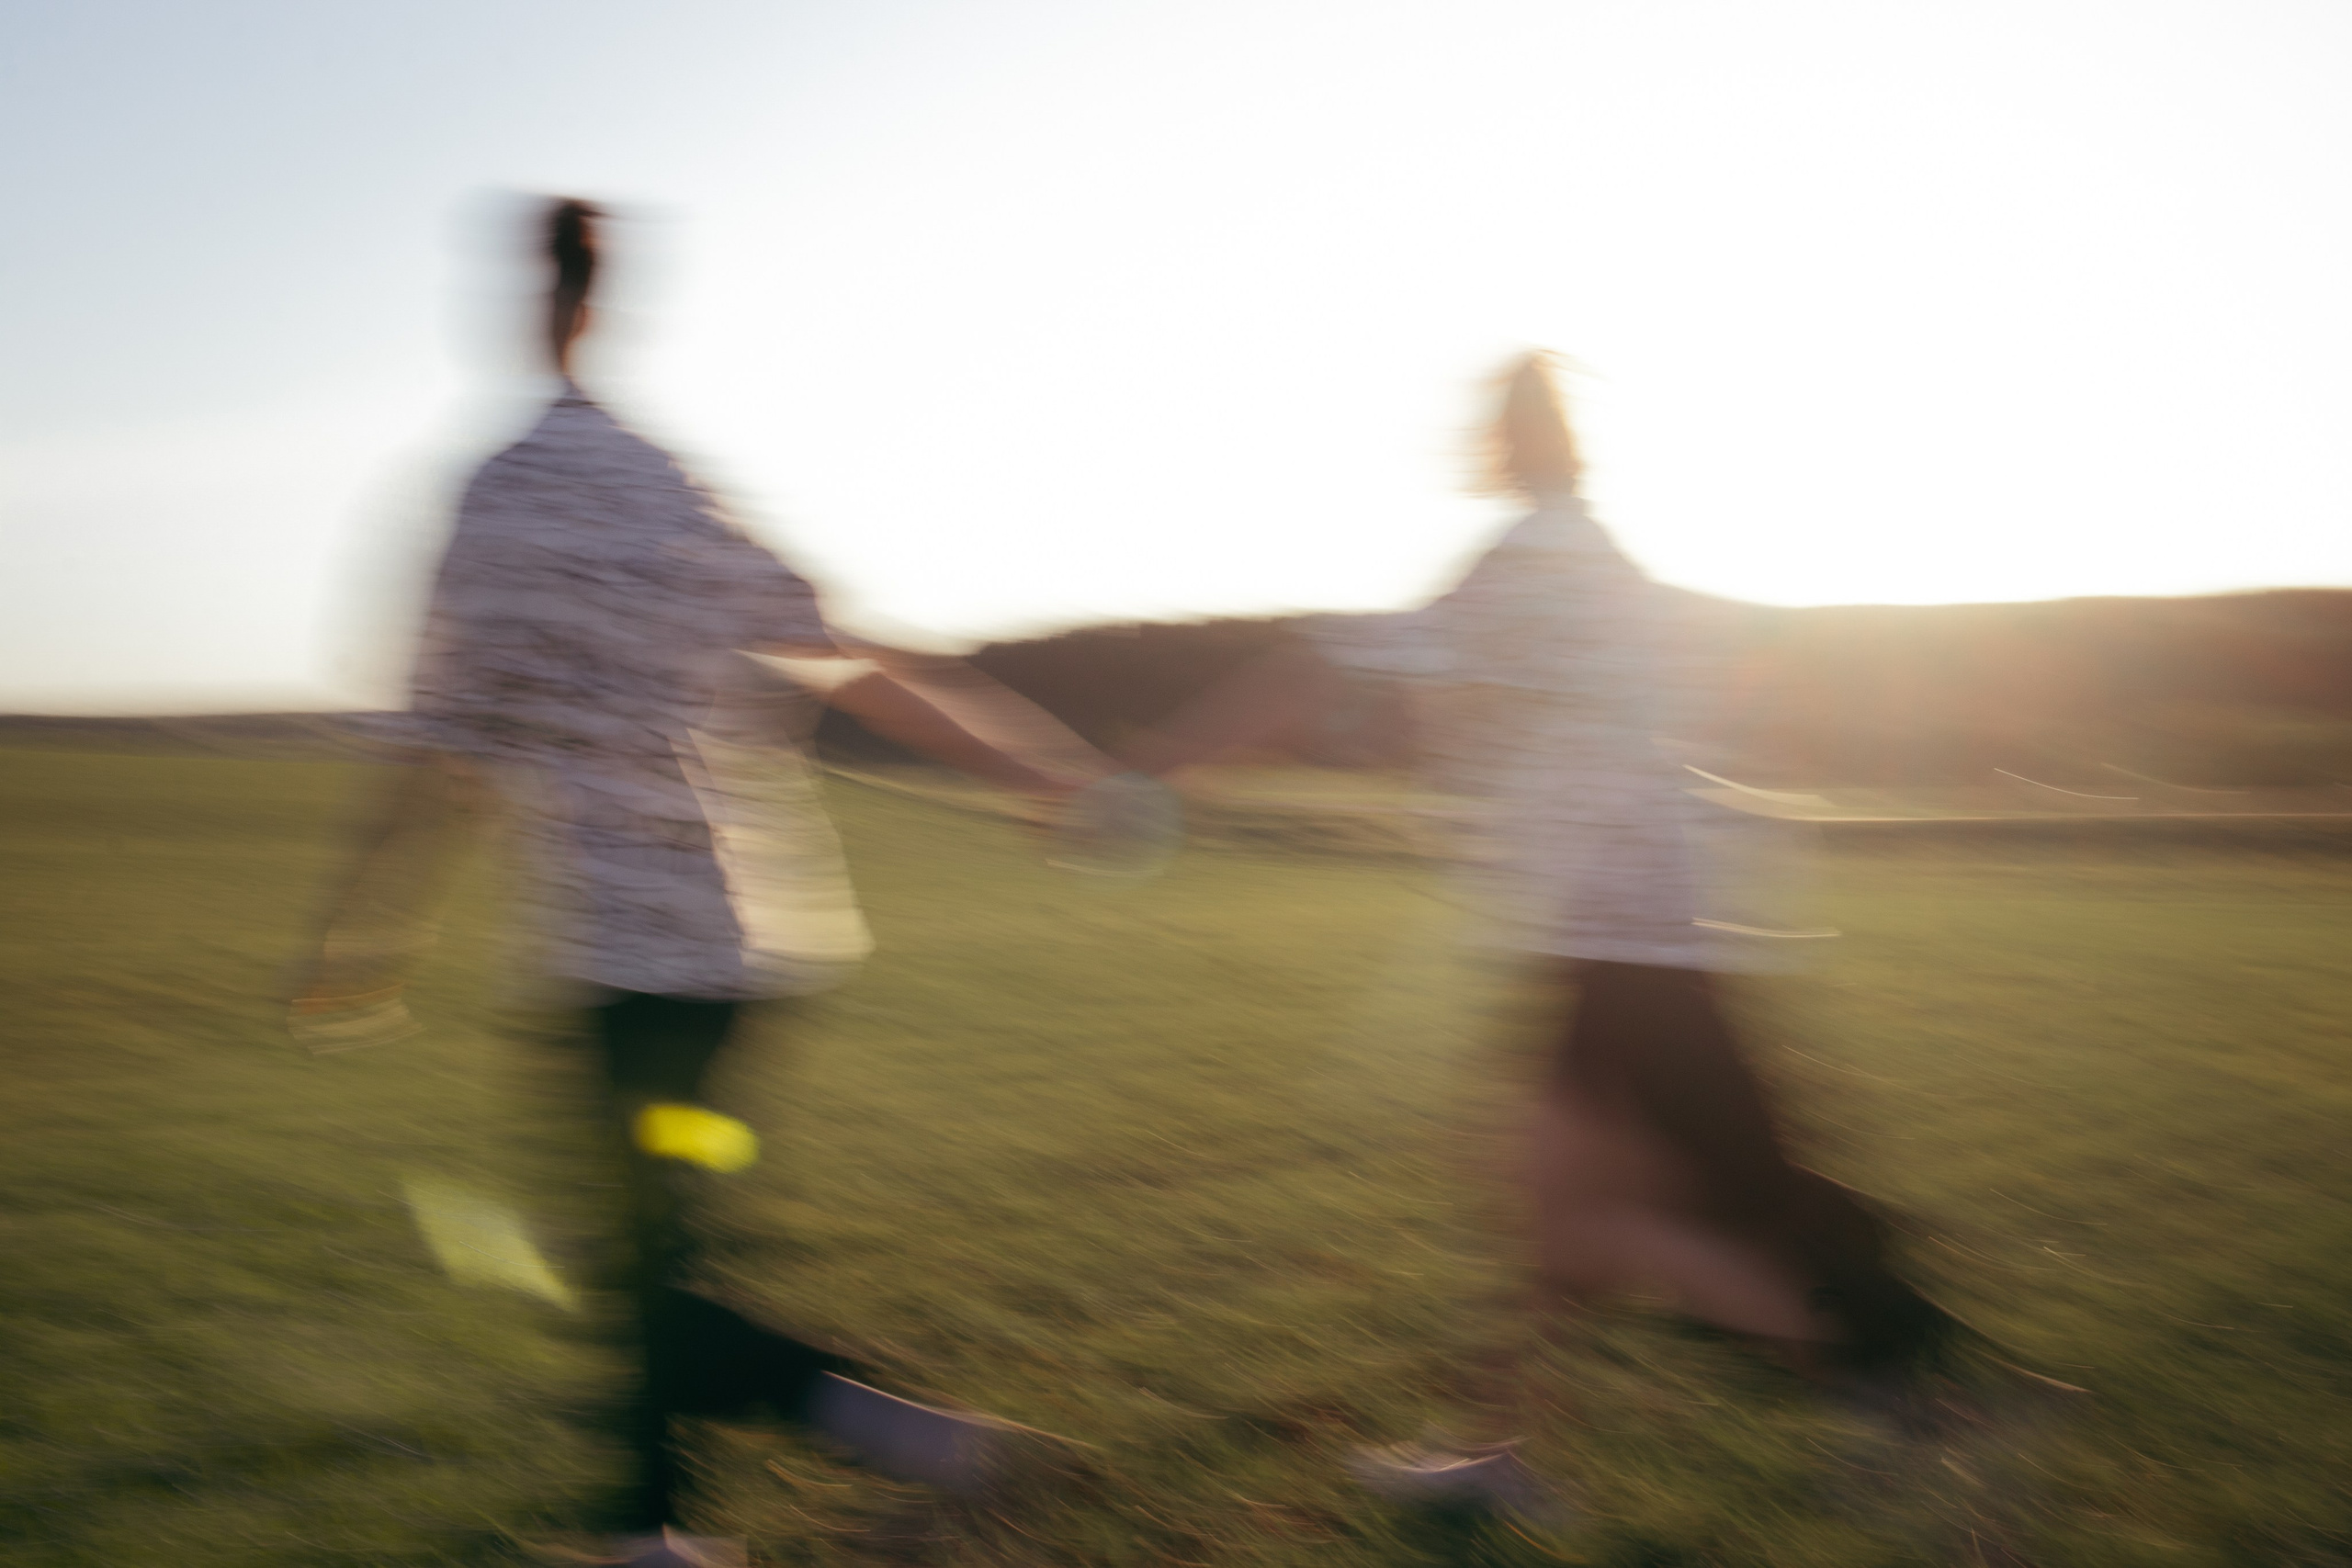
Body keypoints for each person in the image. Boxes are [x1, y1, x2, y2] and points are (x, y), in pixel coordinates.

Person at [290, 198, 1096, 1568]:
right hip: (748, 954)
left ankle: (915, 1437)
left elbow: (441, 752)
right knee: (649, 1252)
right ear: (600, 308)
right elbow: (850, 652)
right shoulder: (670, 481)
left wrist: (363, 936)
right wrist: (1040, 761)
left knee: (632, 1267)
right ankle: (649, 1532)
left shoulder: (497, 495)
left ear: (523, 305)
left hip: (623, 959)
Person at [1119, 354, 2033, 1525]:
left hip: (1620, 942)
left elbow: (1321, 664)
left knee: (1607, 1221)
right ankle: (1513, 1453)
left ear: (1502, 443)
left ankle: (1914, 1397)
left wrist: (1145, 771)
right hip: (1633, 932)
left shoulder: (1536, 563)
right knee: (1559, 1213)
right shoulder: (1591, 560)